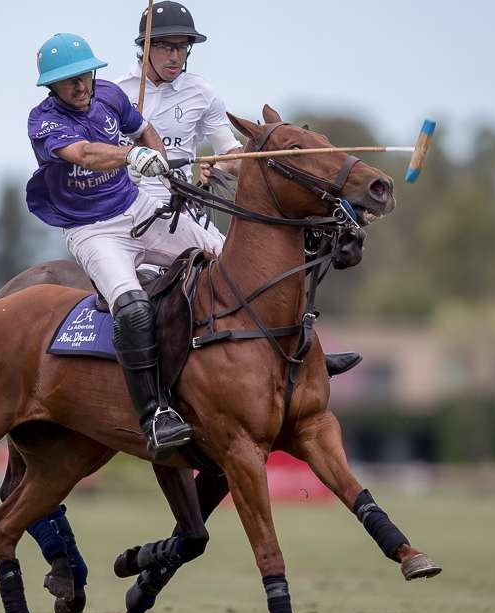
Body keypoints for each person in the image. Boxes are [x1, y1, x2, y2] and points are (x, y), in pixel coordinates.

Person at [117, 2, 362, 375]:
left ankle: (307, 352)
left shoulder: (201, 93)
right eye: (167, 46)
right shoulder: (116, 93)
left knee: (255, 273)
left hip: (184, 209)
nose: (175, 56)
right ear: (145, 46)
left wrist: (223, 163)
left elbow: (232, 154)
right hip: (130, 212)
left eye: (183, 47)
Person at [27, 32, 223, 460]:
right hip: (91, 229)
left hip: (137, 206)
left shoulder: (111, 95)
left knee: (224, 260)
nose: (81, 87)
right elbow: (84, 153)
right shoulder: (42, 121)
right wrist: (131, 156)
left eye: (85, 76)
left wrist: (165, 171)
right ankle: (155, 415)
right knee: (132, 308)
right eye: (68, 81)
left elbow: (144, 128)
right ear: (51, 87)